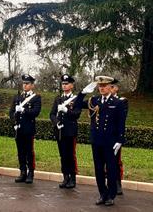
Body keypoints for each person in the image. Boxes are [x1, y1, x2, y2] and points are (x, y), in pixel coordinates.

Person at [77, 76, 126, 206]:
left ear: (111, 87)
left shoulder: (118, 103)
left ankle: (111, 195)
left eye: (104, 86)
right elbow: (77, 104)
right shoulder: (94, 100)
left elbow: (121, 123)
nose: (102, 88)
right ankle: (102, 194)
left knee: (111, 168)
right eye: (100, 86)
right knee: (98, 169)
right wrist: (83, 92)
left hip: (110, 142)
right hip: (97, 140)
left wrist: (120, 140)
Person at [50, 74, 82, 189]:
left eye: (66, 84)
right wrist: (56, 122)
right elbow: (52, 114)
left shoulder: (76, 99)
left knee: (70, 155)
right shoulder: (58, 98)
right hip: (60, 131)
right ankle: (65, 177)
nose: (64, 86)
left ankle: (72, 178)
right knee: (63, 155)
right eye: (63, 84)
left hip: (70, 131)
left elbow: (77, 114)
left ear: (72, 85)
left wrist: (66, 110)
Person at [9, 74, 41, 184]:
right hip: (19, 128)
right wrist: (14, 121)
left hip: (28, 129)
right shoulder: (18, 97)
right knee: (20, 151)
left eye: (27, 84)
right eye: (24, 83)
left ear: (32, 85)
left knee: (29, 151)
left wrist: (24, 110)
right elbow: (11, 112)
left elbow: (36, 112)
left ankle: (31, 172)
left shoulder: (36, 98)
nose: (25, 85)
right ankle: (22, 171)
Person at [110, 78, 128, 195]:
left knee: (116, 161)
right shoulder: (102, 100)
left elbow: (122, 118)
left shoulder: (122, 101)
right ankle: (110, 183)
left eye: (112, 87)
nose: (109, 89)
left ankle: (117, 183)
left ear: (116, 88)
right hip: (105, 135)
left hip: (115, 135)